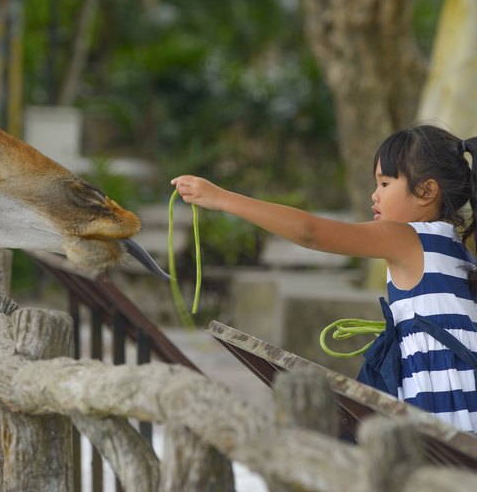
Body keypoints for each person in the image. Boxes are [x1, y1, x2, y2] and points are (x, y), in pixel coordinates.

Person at [172, 124, 477, 433]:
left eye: (385, 183)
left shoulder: (406, 237)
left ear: (427, 191)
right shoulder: (458, 250)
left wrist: (222, 199)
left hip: (440, 408)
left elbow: (311, 233)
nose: (375, 195)